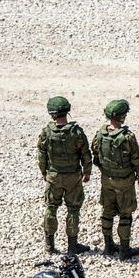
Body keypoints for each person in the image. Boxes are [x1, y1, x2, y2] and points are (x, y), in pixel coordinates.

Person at [36, 96, 92, 255]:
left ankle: (49, 245)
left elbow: (41, 154)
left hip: (54, 176)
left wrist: (44, 172)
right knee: (73, 210)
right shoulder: (76, 132)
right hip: (73, 177)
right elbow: (86, 154)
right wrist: (87, 172)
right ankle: (72, 246)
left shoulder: (47, 132)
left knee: (51, 208)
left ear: (52, 114)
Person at [91, 99, 139, 261]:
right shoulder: (128, 137)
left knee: (107, 212)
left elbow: (95, 152)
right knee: (125, 214)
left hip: (107, 180)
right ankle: (124, 249)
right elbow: (136, 158)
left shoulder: (100, 134)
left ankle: (108, 246)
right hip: (125, 182)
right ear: (122, 117)